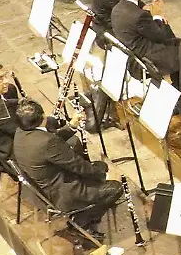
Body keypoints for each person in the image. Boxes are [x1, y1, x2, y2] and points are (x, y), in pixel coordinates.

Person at [11, 100, 123, 238]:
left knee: (101, 166)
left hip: (44, 185)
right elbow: (77, 165)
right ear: (43, 119)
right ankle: (82, 223)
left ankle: (91, 205)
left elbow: (51, 144)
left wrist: (71, 126)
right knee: (115, 188)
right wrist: (105, 176)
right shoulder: (46, 142)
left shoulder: (21, 131)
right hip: (62, 192)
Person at [110, 0, 181, 80]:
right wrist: (158, 15)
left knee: (177, 42)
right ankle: (179, 84)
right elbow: (160, 35)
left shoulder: (116, 10)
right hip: (147, 56)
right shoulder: (139, 16)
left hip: (133, 52)